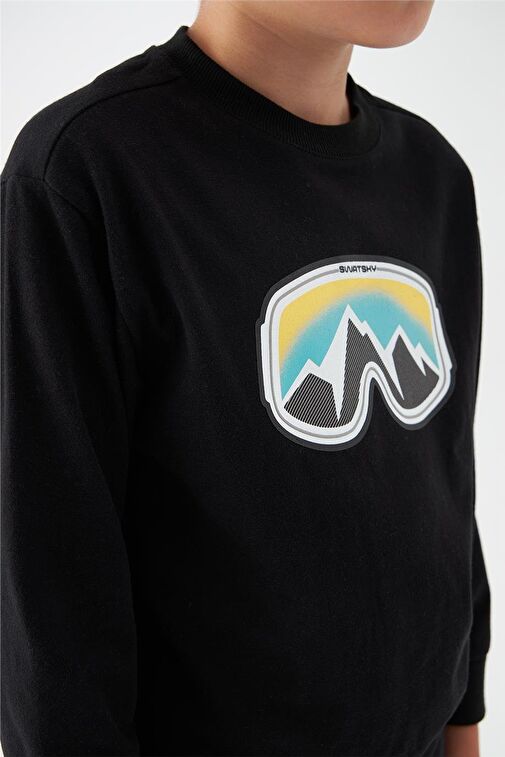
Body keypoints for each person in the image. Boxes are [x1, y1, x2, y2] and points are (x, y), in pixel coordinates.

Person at [0, 1, 491, 755]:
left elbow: (445, 486)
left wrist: (464, 716)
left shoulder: (434, 175)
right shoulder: (87, 171)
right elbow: (51, 596)